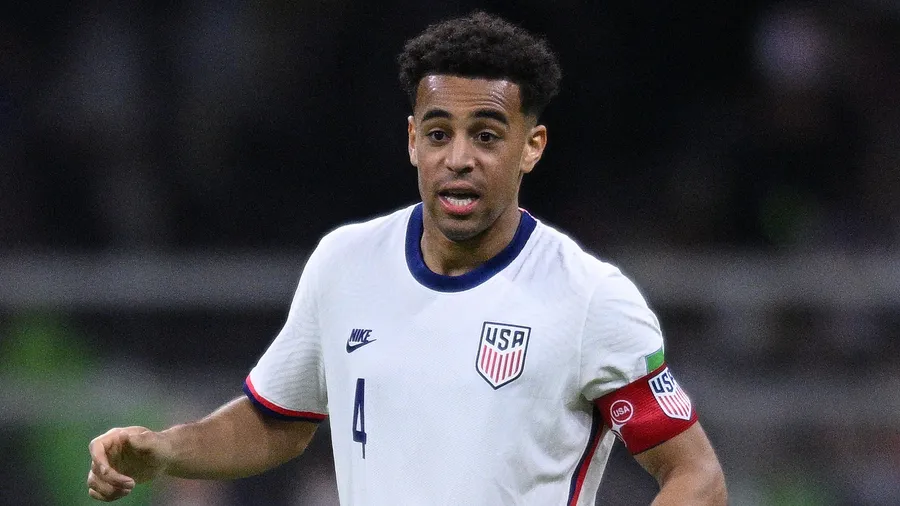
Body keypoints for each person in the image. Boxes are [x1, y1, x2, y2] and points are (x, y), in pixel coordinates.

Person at [87, 11, 727, 505]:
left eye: (486, 135)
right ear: (413, 140)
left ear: (531, 147)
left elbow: (695, 475)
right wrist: (165, 450)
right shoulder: (345, 263)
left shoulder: (589, 298)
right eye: (439, 133)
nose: (459, 158)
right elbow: (278, 420)